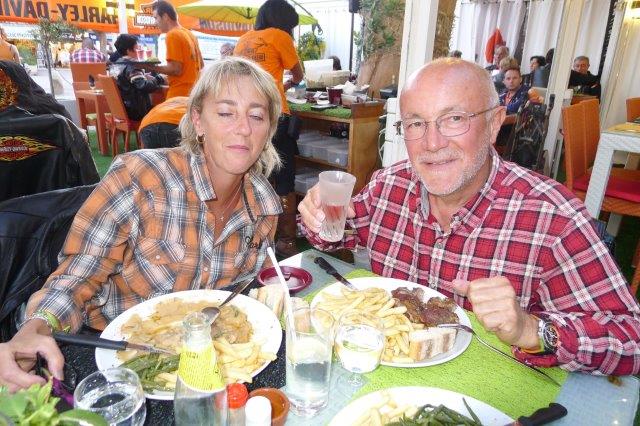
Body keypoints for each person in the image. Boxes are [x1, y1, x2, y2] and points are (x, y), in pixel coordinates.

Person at [298, 58, 640, 376]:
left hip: (494, 388)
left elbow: (631, 339)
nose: (432, 143)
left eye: (454, 119)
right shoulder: (389, 186)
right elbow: (336, 233)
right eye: (416, 123)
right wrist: (317, 217)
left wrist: (531, 329)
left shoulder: (554, 218)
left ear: (494, 124)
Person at [0, 57, 283, 391]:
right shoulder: (140, 177)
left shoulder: (264, 207)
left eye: (256, 116)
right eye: (225, 113)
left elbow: (248, 291)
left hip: (201, 365)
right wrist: (37, 326)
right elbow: (80, 273)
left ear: (268, 131)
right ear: (198, 121)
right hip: (107, 354)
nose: (243, 128)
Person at [234, 0, 304, 257]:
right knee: (284, 176)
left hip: (247, 115)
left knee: (253, 173)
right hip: (274, 114)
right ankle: (286, 241)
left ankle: (254, 238)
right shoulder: (280, 36)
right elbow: (298, 75)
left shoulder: (243, 40)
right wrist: (283, 87)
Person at [146, 0, 203, 99]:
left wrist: (150, 66)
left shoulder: (172, 35)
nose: (155, 23)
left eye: (156, 18)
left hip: (179, 94)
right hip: (194, 93)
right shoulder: (189, 34)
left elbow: (176, 70)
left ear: (165, 16)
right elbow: (200, 65)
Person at [111, 34, 165, 121]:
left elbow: (127, 82)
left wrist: (142, 76)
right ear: (129, 50)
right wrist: (160, 78)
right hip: (137, 112)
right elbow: (144, 86)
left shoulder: (117, 64)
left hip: (125, 109)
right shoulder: (133, 66)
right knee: (164, 111)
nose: (139, 51)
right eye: (137, 48)